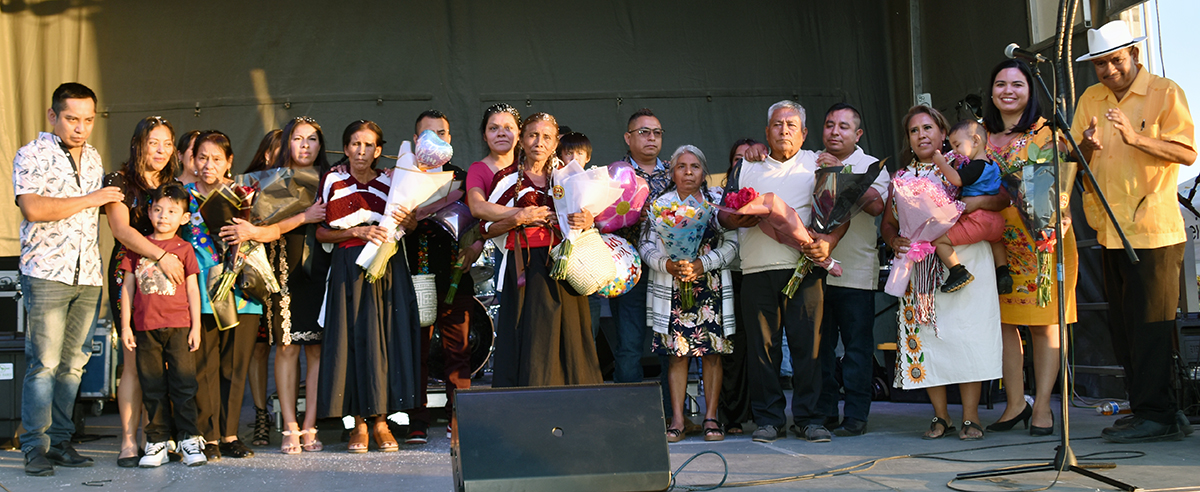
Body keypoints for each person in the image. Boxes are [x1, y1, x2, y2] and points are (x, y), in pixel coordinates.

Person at [1071, 20, 1195, 443]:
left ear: (1134, 56)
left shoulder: (1165, 92)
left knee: (1152, 326)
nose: (1108, 70)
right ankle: (1151, 409)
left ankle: (1158, 415)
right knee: (1124, 329)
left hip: (1152, 229)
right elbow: (1073, 157)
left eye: (1116, 60)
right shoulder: (1090, 98)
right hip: (1108, 227)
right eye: (1101, 64)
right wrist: (1087, 144)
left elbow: (1187, 150)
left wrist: (1134, 138)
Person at [14, 82, 122, 476]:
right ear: (53, 116)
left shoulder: (93, 157)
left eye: (88, 120)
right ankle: (34, 446)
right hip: (46, 272)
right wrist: (92, 199)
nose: (81, 128)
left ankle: (61, 441)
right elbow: (34, 209)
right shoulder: (32, 154)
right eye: (72, 119)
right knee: (43, 363)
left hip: (87, 272)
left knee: (74, 364)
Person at [717, 100, 840, 443]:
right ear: (766, 132)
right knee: (762, 349)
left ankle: (811, 418)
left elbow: (837, 214)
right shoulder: (746, 166)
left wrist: (827, 241)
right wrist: (737, 216)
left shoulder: (818, 163)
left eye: (791, 125)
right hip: (756, 269)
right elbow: (723, 214)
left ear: (803, 133)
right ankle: (769, 419)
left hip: (804, 268)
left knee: (808, 348)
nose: (783, 130)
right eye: (776, 125)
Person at [881, 105, 1003, 441]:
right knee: (929, 341)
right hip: (919, 265)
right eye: (914, 130)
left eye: (928, 128)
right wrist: (896, 241)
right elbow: (888, 224)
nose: (921, 135)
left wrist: (970, 207)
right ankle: (939, 416)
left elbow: (1001, 197)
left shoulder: (964, 163)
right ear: (908, 139)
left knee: (968, 337)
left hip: (964, 259)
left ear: (942, 131)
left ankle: (970, 417)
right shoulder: (900, 178)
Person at [223, 116, 328, 454]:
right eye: (298, 139)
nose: (305, 145)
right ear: (287, 144)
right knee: (286, 348)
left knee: (317, 350)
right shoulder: (270, 182)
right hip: (284, 269)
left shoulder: (330, 179)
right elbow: (261, 231)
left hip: (321, 271)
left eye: (312, 139)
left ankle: (310, 423)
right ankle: (290, 425)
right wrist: (302, 217)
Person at [317, 120, 423, 453]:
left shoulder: (391, 180)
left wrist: (408, 218)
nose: (361, 151)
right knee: (352, 343)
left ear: (378, 150)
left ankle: (382, 422)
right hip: (348, 269)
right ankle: (358, 425)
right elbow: (321, 232)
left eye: (369, 145)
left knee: (385, 343)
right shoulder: (333, 180)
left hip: (385, 268)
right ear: (345, 147)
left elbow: (412, 223)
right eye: (355, 144)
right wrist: (356, 232)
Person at [483, 112, 603, 387]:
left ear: (555, 142)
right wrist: (518, 217)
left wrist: (587, 220)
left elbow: (587, 214)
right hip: (527, 265)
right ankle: (531, 407)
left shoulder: (568, 174)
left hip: (565, 263)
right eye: (533, 135)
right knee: (535, 335)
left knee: (572, 335)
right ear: (521, 140)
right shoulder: (506, 178)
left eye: (547, 137)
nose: (539, 142)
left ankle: (576, 406)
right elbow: (485, 228)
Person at [640, 145, 738, 442]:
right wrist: (668, 264)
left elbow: (733, 246)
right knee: (677, 356)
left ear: (703, 172)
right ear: (672, 172)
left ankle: (710, 418)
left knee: (712, 355)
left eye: (694, 166)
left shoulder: (717, 204)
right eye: (681, 166)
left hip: (710, 288)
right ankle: (678, 419)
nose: (688, 172)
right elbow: (645, 246)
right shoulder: (659, 205)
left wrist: (702, 264)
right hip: (672, 288)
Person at [104, 115, 184, 467]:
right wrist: (161, 255)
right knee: (135, 362)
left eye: (168, 143)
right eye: (154, 142)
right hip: (132, 275)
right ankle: (128, 440)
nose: (162, 150)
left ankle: (160, 437)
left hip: (171, 280)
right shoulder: (119, 181)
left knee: (167, 362)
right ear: (138, 144)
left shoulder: (175, 183)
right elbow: (122, 230)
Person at [402, 110, 483, 444]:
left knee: (457, 350)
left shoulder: (461, 176)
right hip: (416, 276)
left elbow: (481, 222)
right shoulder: (403, 176)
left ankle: (458, 416)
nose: (438, 138)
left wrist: (476, 245)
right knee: (416, 351)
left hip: (455, 274)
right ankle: (416, 418)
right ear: (417, 140)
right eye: (429, 133)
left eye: (443, 133)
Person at [184, 130, 264, 460]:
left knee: (235, 366)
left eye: (217, 158)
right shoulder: (181, 196)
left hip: (242, 293)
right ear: (192, 159)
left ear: (229, 162)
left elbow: (265, 234)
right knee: (204, 366)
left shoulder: (245, 195)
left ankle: (230, 434)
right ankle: (209, 436)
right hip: (201, 292)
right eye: (202, 157)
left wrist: (249, 231)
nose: (208, 164)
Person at [118, 182, 207, 468]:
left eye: (171, 211)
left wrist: (195, 327)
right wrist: (126, 326)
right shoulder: (137, 246)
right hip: (145, 328)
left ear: (184, 218)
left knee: (183, 384)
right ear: (149, 211)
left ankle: (189, 438)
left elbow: (193, 289)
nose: (163, 216)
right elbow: (127, 289)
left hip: (179, 326)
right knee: (152, 386)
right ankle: (157, 441)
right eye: (158, 209)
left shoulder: (184, 249)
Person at [813, 103, 889, 437]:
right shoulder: (809, 159)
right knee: (820, 348)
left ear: (858, 134)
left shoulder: (871, 165)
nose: (834, 132)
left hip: (856, 272)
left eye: (844, 127)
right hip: (814, 270)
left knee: (857, 348)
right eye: (830, 125)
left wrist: (841, 172)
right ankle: (826, 411)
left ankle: (856, 415)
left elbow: (876, 205)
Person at [609, 109, 673, 386]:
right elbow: (602, 222)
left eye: (657, 132)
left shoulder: (676, 171)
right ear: (628, 137)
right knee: (629, 344)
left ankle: (675, 419)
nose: (651, 138)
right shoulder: (612, 176)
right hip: (630, 270)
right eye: (643, 132)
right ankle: (629, 419)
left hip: (669, 269)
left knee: (672, 346)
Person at [929, 119, 1010, 293]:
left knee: (938, 239)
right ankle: (1003, 271)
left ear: (975, 140)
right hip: (996, 220)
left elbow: (957, 179)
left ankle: (957, 271)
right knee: (997, 242)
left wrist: (942, 163)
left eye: (957, 145)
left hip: (977, 219)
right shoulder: (993, 165)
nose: (955, 151)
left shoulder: (976, 166)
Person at [717, 138, 760, 436]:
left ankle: (759, 412)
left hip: (758, 273)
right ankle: (731, 414)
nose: (743, 163)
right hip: (730, 276)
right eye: (737, 158)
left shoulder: (767, 190)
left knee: (759, 347)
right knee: (732, 350)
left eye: (750, 158)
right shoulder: (719, 196)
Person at [244, 129, 283, 447]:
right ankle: (260, 414)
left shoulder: (305, 183)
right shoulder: (248, 184)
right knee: (257, 348)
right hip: (256, 272)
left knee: (292, 346)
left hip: (289, 272)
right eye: (276, 150)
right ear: (265, 154)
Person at [465, 103, 522, 223]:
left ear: (519, 135)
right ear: (484, 136)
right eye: (493, 128)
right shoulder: (478, 169)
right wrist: (524, 214)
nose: (501, 133)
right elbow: (477, 207)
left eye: (508, 128)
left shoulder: (529, 166)